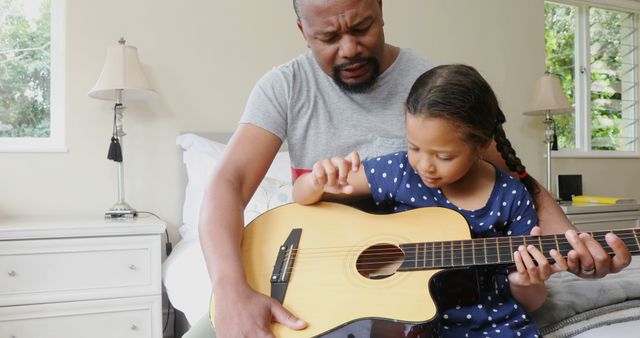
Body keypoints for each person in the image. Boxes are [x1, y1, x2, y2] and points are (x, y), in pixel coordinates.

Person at [190, 0, 632, 337]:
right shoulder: (283, 87)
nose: (349, 49)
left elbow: (514, 177)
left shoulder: (432, 86)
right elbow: (227, 185)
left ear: (381, 10)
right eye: (328, 37)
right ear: (302, 30)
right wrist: (231, 289)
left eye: (362, 27)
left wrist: (573, 246)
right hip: (307, 275)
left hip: (416, 292)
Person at [293, 64, 566, 337]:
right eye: (414, 147)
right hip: (400, 321)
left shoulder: (510, 196)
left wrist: (525, 281)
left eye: (443, 156)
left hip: (486, 324)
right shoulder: (398, 171)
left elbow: (532, 301)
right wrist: (316, 181)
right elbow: (302, 196)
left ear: (481, 145)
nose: (424, 165)